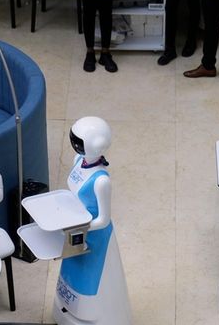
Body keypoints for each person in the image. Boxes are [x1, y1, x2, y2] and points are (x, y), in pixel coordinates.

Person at [56, 116, 131, 325]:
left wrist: (80, 228)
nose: (75, 146)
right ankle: (68, 309)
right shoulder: (77, 161)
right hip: (75, 231)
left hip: (95, 239)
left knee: (91, 280)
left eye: (78, 142)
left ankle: (91, 316)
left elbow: (104, 220)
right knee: (71, 272)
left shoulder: (101, 181)